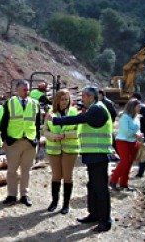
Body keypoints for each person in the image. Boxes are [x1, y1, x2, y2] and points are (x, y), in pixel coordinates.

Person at [45, 86, 113, 232]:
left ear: (89, 97)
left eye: (83, 97)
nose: (82, 100)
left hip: (98, 154)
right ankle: (94, 214)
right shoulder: (93, 109)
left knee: (100, 188)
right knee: (93, 186)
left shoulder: (97, 109)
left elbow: (79, 119)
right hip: (92, 154)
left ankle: (105, 220)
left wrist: (57, 120)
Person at [0, 80, 41, 207]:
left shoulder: (35, 104)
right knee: (12, 170)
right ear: (17, 90)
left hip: (29, 142)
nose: (26, 92)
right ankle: (11, 195)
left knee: (26, 171)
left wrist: (36, 139)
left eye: (27, 89)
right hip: (14, 142)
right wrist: (5, 139)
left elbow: (37, 123)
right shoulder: (9, 103)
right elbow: (3, 122)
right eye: (24, 89)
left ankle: (24, 195)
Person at [43, 89, 79, 214]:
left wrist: (65, 135)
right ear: (57, 100)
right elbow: (45, 130)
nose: (64, 102)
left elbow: (78, 131)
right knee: (56, 176)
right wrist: (53, 137)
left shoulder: (74, 112)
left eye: (66, 99)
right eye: (62, 99)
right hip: (54, 149)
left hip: (70, 149)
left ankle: (66, 204)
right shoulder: (51, 112)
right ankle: (54, 201)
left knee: (67, 177)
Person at [110, 98, 142, 191]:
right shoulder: (124, 117)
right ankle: (113, 180)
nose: (139, 108)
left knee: (129, 163)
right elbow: (126, 130)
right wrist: (135, 134)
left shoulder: (136, 117)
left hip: (133, 142)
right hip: (123, 141)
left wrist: (140, 134)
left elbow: (138, 129)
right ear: (133, 107)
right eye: (138, 106)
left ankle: (124, 183)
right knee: (124, 161)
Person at [131, 92, 145, 177]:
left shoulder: (141, 108)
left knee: (142, 153)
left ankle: (140, 172)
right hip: (136, 134)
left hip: (140, 134)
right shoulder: (133, 108)